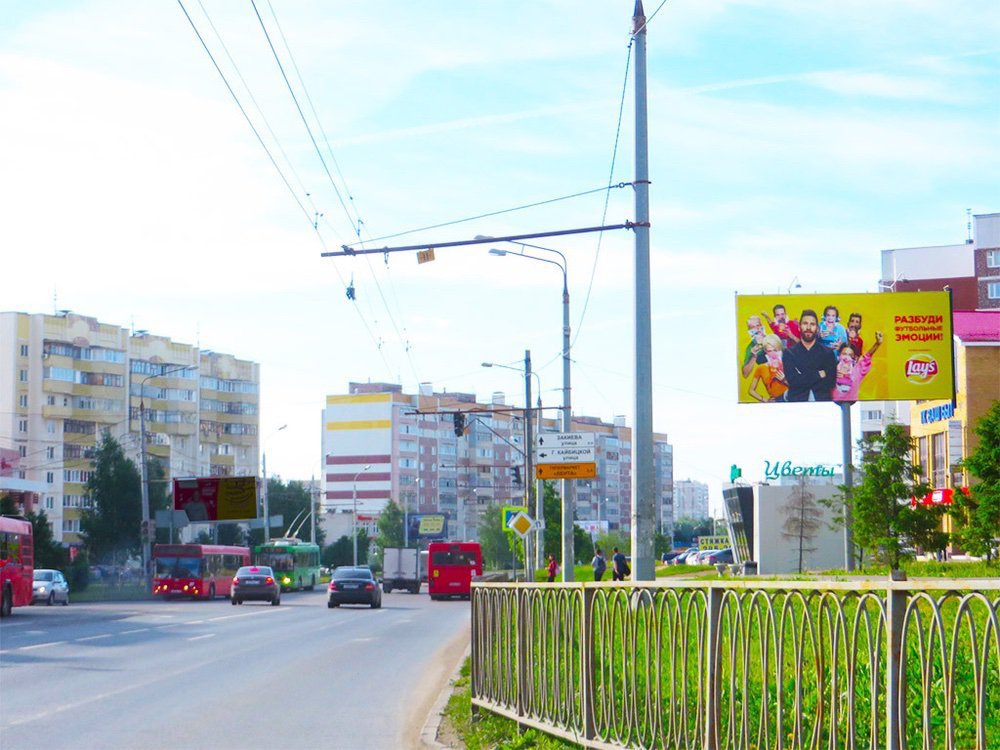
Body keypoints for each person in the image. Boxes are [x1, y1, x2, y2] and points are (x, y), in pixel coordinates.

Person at [782, 309, 838, 402]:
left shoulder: (828, 354)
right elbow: (793, 382)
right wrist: (820, 374)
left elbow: (830, 383)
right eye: (805, 323)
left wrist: (802, 376)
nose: (808, 327)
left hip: (822, 406)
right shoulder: (789, 353)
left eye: (812, 324)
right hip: (796, 405)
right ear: (799, 327)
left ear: (817, 328)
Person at [833, 332, 883, 402]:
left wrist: (877, 344)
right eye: (844, 354)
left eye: (850, 355)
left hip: (852, 402)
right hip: (832, 403)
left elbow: (867, 356)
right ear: (839, 355)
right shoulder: (832, 369)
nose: (846, 357)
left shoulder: (858, 370)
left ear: (855, 358)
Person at [747, 334, 788, 402]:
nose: (773, 354)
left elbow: (798, 386)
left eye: (775, 350)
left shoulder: (787, 363)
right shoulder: (761, 368)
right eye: (769, 351)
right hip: (776, 402)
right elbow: (751, 390)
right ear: (765, 352)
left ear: (780, 349)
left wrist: (784, 380)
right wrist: (765, 400)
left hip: (790, 398)